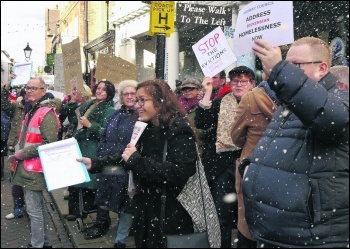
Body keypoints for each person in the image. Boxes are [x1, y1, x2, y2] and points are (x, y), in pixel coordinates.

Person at [242, 37, 349, 248]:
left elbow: (332, 119)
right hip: (279, 233)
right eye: (286, 64)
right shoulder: (290, 105)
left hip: (310, 237)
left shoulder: (340, 99)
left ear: (322, 68)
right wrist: (250, 169)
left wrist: (280, 68)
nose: (286, 70)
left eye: (295, 65)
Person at [78, 79, 199, 248]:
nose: (137, 105)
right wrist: (95, 163)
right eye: (137, 100)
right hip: (145, 206)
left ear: (160, 100)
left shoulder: (178, 129)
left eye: (143, 100)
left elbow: (179, 171)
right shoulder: (145, 127)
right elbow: (127, 155)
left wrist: (137, 161)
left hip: (169, 210)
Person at [195, 66, 255, 248]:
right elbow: (201, 123)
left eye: (243, 81)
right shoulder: (221, 102)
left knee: (248, 215)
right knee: (222, 215)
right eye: (235, 80)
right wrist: (207, 93)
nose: (238, 84)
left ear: (251, 84)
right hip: (221, 166)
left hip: (249, 164)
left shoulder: (259, 102)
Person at [82, 80, 138, 246]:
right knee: (107, 197)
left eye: (132, 93)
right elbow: (104, 135)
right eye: (125, 94)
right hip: (108, 163)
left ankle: (121, 239)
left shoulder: (139, 117)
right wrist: (101, 153)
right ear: (121, 97)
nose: (129, 96)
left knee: (126, 203)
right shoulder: (115, 114)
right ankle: (104, 225)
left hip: (125, 165)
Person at [9, 77, 61, 248]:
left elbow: (50, 143)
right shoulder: (32, 109)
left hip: (35, 169)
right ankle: (45, 243)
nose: (29, 91)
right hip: (28, 167)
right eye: (27, 88)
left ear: (43, 90)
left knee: (34, 211)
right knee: (38, 208)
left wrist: (23, 153)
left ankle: (37, 244)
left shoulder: (45, 112)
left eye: (33, 88)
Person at [230, 72, 278, 248]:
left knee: (248, 228)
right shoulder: (301, 99)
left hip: (253, 168)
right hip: (286, 173)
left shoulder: (251, 99)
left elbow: (236, 136)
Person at [65, 80, 115, 222]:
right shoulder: (89, 104)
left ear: (109, 93)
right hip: (79, 145)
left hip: (92, 149)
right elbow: (73, 120)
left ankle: (83, 211)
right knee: (75, 179)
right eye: (98, 88)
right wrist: (72, 102)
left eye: (104, 90)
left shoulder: (109, 109)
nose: (99, 91)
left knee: (87, 183)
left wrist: (90, 125)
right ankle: (75, 211)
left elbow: (105, 132)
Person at [1, 78, 29, 219]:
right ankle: (18, 208)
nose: (29, 94)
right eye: (27, 91)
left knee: (30, 182)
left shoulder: (41, 109)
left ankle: (30, 209)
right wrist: (6, 87)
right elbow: (3, 103)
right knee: (16, 181)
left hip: (31, 152)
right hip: (15, 150)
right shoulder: (17, 108)